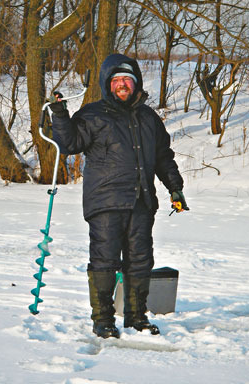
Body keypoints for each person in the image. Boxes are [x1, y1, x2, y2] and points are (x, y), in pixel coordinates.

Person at [49, 53, 189, 339]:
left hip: (141, 201)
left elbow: (163, 157)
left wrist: (175, 188)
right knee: (104, 260)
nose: (122, 84)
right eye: (116, 80)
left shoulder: (148, 117)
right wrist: (61, 115)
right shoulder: (93, 114)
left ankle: (136, 317)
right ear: (107, 84)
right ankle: (102, 320)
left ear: (135, 83)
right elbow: (70, 144)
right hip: (105, 201)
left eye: (127, 79)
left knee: (140, 260)